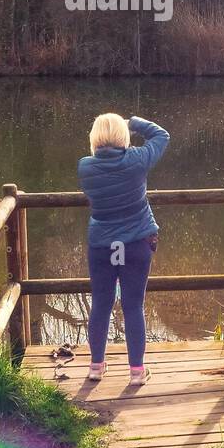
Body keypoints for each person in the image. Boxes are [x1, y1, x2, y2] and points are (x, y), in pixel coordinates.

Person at [77, 113, 169, 385]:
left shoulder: (85, 167)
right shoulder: (137, 160)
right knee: (133, 306)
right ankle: (137, 372)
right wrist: (134, 122)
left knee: (101, 304)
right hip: (136, 242)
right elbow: (162, 135)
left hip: (103, 245)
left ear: (95, 138)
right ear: (123, 137)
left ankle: (96, 367)